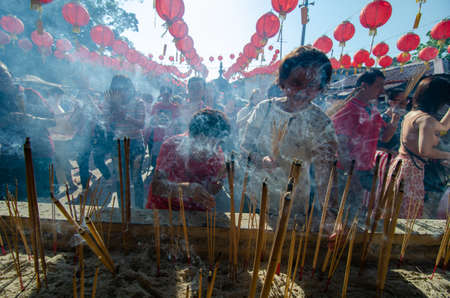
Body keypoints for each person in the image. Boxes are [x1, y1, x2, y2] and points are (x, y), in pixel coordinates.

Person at [241, 46, 337, 216]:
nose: (302, 91)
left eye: (312, 85)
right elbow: (244, 147)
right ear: (283, 81)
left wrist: (328, 213)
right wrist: (259, 159)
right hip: (256, 198)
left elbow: (325, 173)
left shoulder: (320, 122)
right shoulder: (265, 109)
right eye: (296, 83)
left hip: (295, 203)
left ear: (321, 88)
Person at [332, 69, 399, 210]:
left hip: (366, 170)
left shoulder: (372, 109)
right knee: (343, 214)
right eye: (378, 86)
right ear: (364, 86)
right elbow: (340, 146)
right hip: (346, 173)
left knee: (360, 213)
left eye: (382, 86)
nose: (382, 91)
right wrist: (352, 176)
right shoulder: (348, 109)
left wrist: (395, 119)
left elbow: (385, 137)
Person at [385, 74, 450, 218]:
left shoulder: (413, 114)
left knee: (395, 212)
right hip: (411, 171)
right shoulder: (425, 120)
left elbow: (442, 127)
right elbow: (425, 150)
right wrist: (447, 155)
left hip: (402, 166)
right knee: (407, 215)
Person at [146, 109, 231, 211]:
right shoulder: (172, 146)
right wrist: (186, 189)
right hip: (165, 211)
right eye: (207, 142)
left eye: (217, 143)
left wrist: (219, 180)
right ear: (193, 136)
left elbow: (211, 190)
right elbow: (157, 186)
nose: (213, 149)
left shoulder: (216, 153)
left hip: (197, 213)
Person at [105, 75, 146, 208]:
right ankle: (124, 208)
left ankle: (139, 208)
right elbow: (107, 123)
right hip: (118, 143)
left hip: (135, 143)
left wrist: (125, 116)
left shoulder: (138, 102)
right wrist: (112, 113)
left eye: (122, 88)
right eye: (117, 89)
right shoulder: (111, 104)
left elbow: (141, 124)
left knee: (136, 177)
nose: (120, 92)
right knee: (120, 178)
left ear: (129, 88)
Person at [147, 86, 179, 173]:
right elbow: (151, 121)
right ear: (161, 94)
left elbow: (177, 122)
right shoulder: (156, 106)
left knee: (168, 161)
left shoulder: (175, 107)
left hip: (170, 138)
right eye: (164, 94)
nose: (166, 96)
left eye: (168, 94)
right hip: (157, 137)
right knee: (156, 161)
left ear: (171, 95)